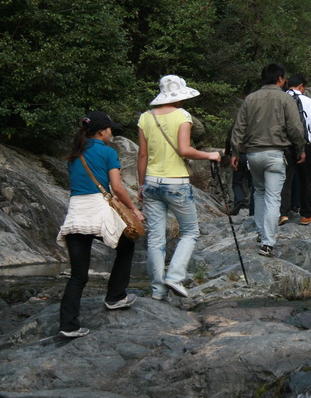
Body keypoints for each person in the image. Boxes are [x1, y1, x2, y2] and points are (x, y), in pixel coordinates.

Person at [57, 112, 145, 338]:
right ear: (101, 131)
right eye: (110, 129)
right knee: (127, 246)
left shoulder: (75, 153)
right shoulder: (107, 152)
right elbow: (117, 187)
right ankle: (115, 297)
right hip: (99, 212)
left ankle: (68, 326)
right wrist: (134, 210)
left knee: (78, 275)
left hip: (76, 214)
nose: (112, 133)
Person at [137, 76, 221, 300]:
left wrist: (141, 184)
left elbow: (142, 155)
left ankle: (157, 291)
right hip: (176, 182)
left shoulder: (145, 118)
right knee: (190, 232)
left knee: (155, 237)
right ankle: (174, 276)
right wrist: (210, 154)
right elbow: (184, 150)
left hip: (152, 182)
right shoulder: (183, 116)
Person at [230, 63, 306, 258]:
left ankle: (261, 232)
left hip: (253, 154)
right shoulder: (285, 99)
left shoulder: (250, 98)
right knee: (273, 197)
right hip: (276, 154)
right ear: (280, 79)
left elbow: (239, 127)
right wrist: (300, 149)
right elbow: (295, 128)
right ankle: (267, 243)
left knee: (259, 192)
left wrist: (235, 152)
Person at [279, 74, 311, 226]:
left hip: (284, 144)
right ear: (301, 86)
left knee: (285, 178)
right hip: (304, 144)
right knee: (306, 179)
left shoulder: (281, 98)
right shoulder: (306, 100)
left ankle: (283, 213)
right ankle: (306, 214)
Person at [225, 123, 253, 216]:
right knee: (253, 183)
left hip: (239, 155)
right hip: (252, 155)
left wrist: (228, 153)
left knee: (236, 182)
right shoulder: (253, 124)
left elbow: (229, 139)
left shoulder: (235, 125)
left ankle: (239, 200)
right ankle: (252, 207)